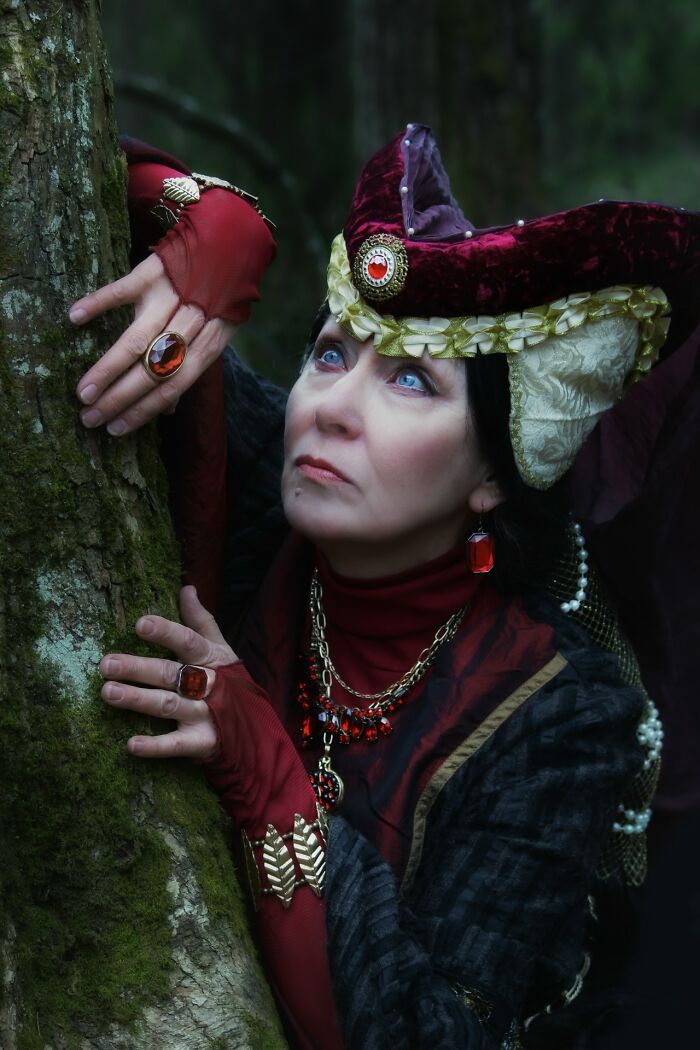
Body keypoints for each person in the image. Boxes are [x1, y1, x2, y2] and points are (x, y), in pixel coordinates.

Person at [69, 125, 700, 1049]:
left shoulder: (562, 720)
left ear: (496, 469)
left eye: (409, 380)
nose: (333, 407)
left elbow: (431, 1034)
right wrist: (215, 219)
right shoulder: (254, 479)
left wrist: (268, 776)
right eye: (330, 354)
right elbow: (71, 184)